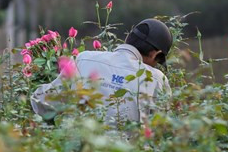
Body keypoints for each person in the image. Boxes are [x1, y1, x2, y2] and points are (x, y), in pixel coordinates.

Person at [30, 18, 172, 128]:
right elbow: (163, 132)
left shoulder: (84, 59)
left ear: (129, 39)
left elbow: (43, 103)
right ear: (155, 54)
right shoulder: (157, 80)